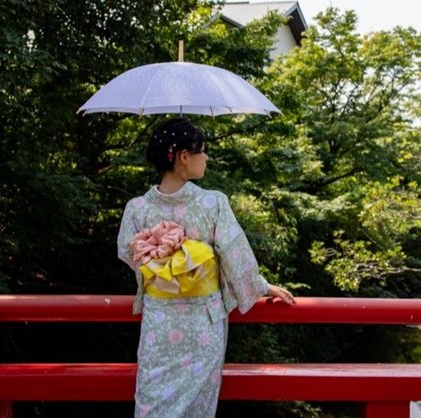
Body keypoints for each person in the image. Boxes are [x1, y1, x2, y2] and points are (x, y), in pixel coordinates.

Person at [117, 117, 295, 417]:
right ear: (184, 157)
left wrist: (166, 267)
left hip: (159, 322)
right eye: (202, 150)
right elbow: (235, 258)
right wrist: (261, 286)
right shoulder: (213, 203)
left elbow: (127, 252)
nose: (206, 157)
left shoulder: (136, 208)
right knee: (197, 409)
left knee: (153, 405)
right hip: (203, 323)